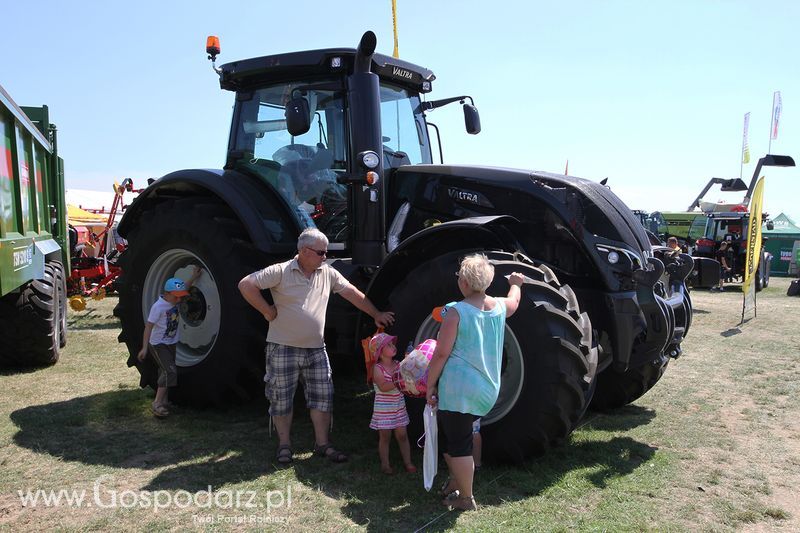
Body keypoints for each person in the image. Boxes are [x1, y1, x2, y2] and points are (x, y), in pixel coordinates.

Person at [238, 227, 395, 465]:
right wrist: (267, 311)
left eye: (326, 252)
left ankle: (322, 444)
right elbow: (245, 285)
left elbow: (352, 293)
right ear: (303, 251)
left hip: (316, 349)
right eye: (320, 252)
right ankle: (284, 445)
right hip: (282, 347)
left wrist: (376, 313)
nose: (325, 257)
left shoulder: (327, 272)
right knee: (281, 398)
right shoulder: (280, 271)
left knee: (323, 397)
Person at [426, 254, 523, 511]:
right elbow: (514, 300)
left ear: (465, 283)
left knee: (457, 446)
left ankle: (465, 497)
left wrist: (429, 384)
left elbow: (441, 353)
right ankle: (454, 482)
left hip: (458, 389)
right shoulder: (499, 306)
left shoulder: (456, 312)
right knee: (460, 438)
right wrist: (516, 283)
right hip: (487, 390)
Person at [137, 267, 203, 417]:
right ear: (168, 294)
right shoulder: (158, 307)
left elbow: (184, 288)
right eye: (177, 297)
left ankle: (164, 400)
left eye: (181, 297)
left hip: (171, 343)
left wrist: (193, 276)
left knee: (164, 371)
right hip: (158, 345)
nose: (180, 300)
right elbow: (148, 327)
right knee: (170, 371)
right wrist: (144, 348)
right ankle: (157, 403)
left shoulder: (174, 300)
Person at [368, 332, 416, 475]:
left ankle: (408, 462)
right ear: (380, 352)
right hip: (384, 409)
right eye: (388, 345)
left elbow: (408, 379)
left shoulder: (397, 364)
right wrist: (399, 380)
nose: (393, 346)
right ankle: (385, 464)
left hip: (398, 406)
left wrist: (409, 365)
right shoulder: (377, 369)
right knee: (385, 436)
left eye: (392, 343)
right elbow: (383, 386)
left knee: (402, 435)